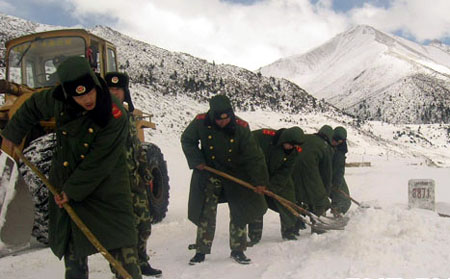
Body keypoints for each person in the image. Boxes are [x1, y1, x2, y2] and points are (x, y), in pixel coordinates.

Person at [1, 57, 142, 279]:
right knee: (74, 252)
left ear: (96, 85)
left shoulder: (115, 114)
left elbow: (100, 160)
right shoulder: (58, 99)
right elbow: (32, 106)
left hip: (107, 189)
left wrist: (72, 190)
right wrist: (12, 134)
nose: (87, 99)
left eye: (90, 92)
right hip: (66, 183)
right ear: (67, 93)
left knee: (123, 253)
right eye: (79, 95)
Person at [180, 94, 269, 265]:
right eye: (219, 120)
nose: (223, 122)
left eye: (227, 118)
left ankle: (238, 250)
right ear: (212, 115)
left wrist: (259, 181)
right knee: (206, 213)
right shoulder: (200, 122)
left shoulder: (241, 127)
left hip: (236, 174)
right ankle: (201, 250)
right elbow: (187, 140)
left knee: (239, 212)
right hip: (209, 172)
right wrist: (197, 160)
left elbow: (254, 156)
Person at [105, 72, 162, 277]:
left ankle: (141, 261)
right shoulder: (103, 116)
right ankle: (122, 269)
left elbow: (135, 146)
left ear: (124, 92)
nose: (114, 93)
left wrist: (144, 169)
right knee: (123, 231)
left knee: (144, 225)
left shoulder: (127, 115)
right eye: (110, 90)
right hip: (116, 184)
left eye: (118, 90)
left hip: (135, 181)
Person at [248, 127, 305, 245]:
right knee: (256, 202)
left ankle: (288, 231)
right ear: (284, 139)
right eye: (289, 144)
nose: (291, 147)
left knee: (289, 201)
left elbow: (285, 172)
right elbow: (248, 154)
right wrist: (258, 182)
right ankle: (254, 236)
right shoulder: (263, 137)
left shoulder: (294, 151)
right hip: (256, 175)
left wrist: (271, 188)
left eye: (293, 146)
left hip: (276, 176)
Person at [292, 125, 334, 233]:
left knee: (296, 198)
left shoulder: (306, 137)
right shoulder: (325, 146)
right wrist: (325, 191)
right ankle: (318, 229)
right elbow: (326, 173)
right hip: (309, 171)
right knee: (319, 200)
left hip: (291, 169)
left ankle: (292, 228)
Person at [330, 126, 351, 215]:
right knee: (344, 200)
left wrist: (337, 184)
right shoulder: (327, 146)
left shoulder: (341, 151)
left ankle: (337, 212)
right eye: (334, 139)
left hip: (335, 177)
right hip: (327, 176)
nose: (335, 142)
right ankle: (337, 212)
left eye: (339, 140)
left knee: (344, 200)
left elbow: (339, 169)